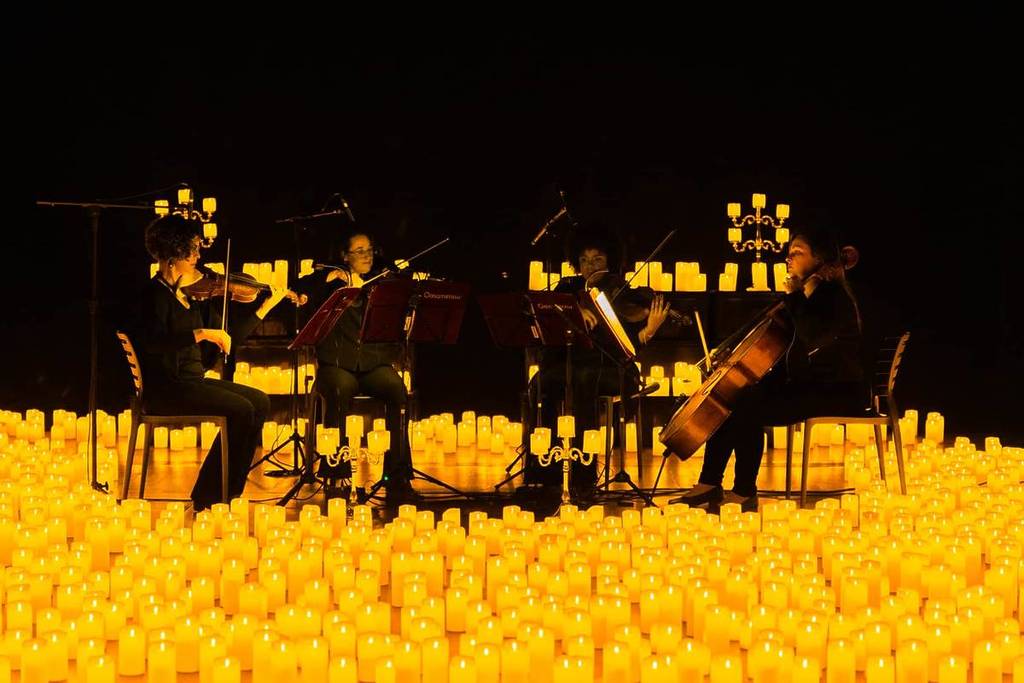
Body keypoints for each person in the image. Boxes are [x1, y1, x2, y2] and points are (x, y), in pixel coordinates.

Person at [675, 226, 865, 511]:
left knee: (749, 403)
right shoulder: (811, 296)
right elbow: (787, 344)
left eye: (797, 253)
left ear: (820, 259)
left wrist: (794, 295)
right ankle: (710, 483)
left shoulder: (832, 296)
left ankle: (743, 491)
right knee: (739, 393)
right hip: (811, 384)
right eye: (788, 253)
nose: (788, 258)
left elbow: (811, 335)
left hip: (837, 391)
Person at [137, 214, 290, 511]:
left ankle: (226, 493)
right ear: (172, 256)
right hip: (168, 389)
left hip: (191, 382)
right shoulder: (153, 296)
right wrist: (200, 333)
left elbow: (219, 347)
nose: (198, 255)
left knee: (258, 401)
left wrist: (263, 308)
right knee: (242, 409)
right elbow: (154, 343)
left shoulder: (191, 297)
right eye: (191, 249)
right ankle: (210, 497)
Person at [527, 230, 669, 497]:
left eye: (598, 260)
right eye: (584, 261)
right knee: (540, 382)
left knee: (584, 379)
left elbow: (629, 349)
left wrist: (648, 331)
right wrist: (574, 311)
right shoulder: (566, 289)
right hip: (571, 361)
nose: (590, 267)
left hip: (614, 367)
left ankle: (584, 473)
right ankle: (543, 469)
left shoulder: (626, 293)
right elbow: (547, 316)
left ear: (611, 262)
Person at [292, 230, 413, 499]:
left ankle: (398, 474)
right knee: (338, 390)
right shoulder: (329, 281)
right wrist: (327, 280)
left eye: (369, 249)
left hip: (372, 364)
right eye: (359, 251)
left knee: (396, 389)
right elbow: (299, 289)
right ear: (344, 256)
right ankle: (337, 474)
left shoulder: (380, 282)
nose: (366, 255)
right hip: (336, 364)